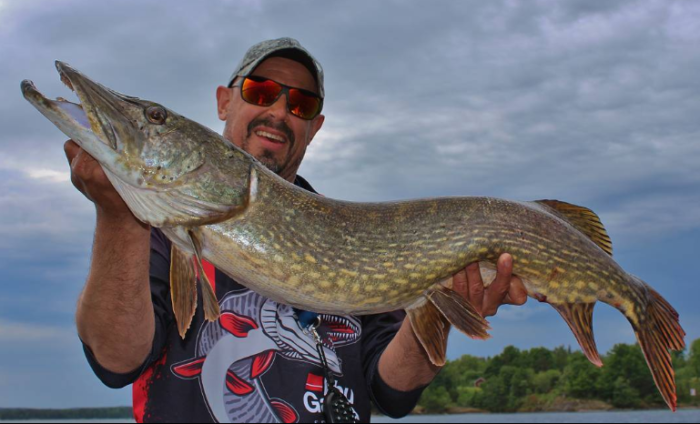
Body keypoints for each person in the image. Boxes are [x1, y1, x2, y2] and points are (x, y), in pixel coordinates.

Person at [65, 38, 528, 423]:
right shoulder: (156, 229)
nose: (280, 111)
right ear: (225, 101)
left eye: (301, 103)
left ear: (315, 126)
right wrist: (117, 216)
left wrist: (442, 310)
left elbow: (392, 391)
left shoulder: (353, 237)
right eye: (261, 91)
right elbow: (116, 360)